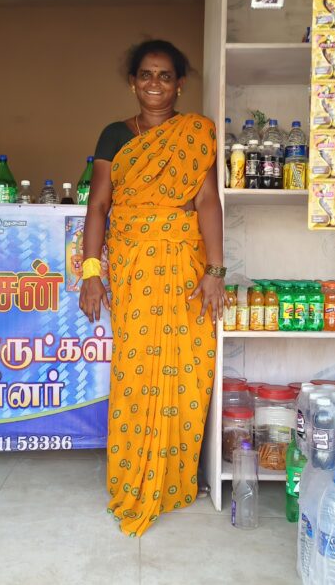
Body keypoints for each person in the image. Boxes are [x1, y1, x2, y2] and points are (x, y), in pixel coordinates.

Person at [79, 39, 226, 537]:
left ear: (180, 84)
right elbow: (98, 206)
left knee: (189, 366)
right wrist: (91, 275)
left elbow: (208, 202)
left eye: (166, 76)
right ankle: (132, 476)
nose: (155, 84)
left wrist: (216, 270)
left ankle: (173, 478)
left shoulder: (195, 134)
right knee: (136, 367)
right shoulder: (114, 136)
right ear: (133, 81)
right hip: (133, 263)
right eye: (146, 75)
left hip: (185, 265)